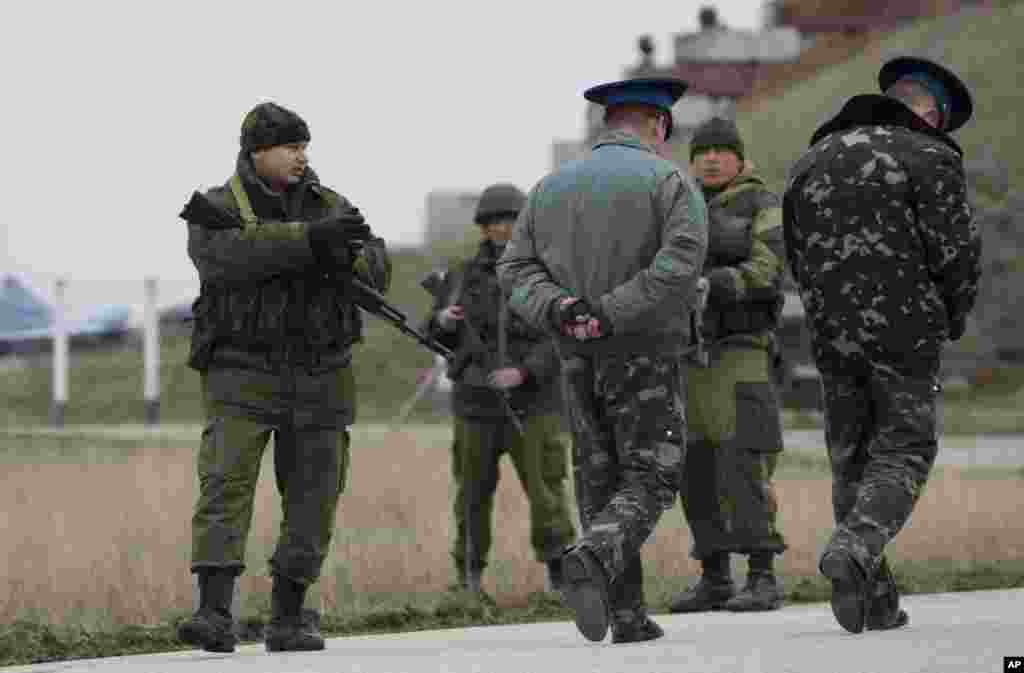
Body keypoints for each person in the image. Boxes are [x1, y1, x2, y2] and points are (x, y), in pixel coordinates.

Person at [498, 77, 708, 644]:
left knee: (599, 477)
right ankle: (593, 553)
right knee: (652, 472)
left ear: (606, 123)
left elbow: (515, 270)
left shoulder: (548, 188)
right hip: (644, 350)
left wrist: (565, 309)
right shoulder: (670, 180)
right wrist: (612, 311)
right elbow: (681, 263)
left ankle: (627, 614)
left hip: (575, 354)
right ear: (659, 124)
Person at [176, 102, 391, 653]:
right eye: (290, 147)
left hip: (321, 374)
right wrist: (307, 241)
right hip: (241, 374)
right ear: (256, 152)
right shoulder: (217, 208)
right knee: (225, 485)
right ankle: (214, 612)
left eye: (303, 147)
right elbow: (222, 259)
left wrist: (347, 254)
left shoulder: (333, 205)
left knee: (316, 493)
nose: (301, 157)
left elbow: (377, 267)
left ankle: (290, 616)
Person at [782, 57, 981, 634]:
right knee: (904, 449)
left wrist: (826, 312)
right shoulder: (930, 156)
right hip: (905, 331)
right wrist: (952, 318)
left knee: (851, 456)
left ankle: (875, 601)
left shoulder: (810, 159)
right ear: (929, 111)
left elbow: (794, 253)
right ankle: (856, 544)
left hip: (830, 331)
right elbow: (956, 255)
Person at [422, 183, 576, 597]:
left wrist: (525, 372)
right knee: (471, 497)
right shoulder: (461, 277)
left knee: (547, 492)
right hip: (475, 404)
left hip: (534, 403)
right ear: (483, 228)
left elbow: (564, 335)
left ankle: (562, 577)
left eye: (510, 220)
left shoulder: (549, 273)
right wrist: (444, 323)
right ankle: (468, 581)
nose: (502, 228)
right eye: (494, 222)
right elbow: (434, 336)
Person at [668, 117, 788, 615]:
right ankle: (714, 575)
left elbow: (770, 266)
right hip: (688, 357)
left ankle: (762, 576)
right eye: (702, 152)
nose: (711, 159)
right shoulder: (678, 206)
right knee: (694, 466)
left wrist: (711, 284)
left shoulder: (762, 203)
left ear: (740, 159)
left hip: (741, 351)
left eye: (721, 150)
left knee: (745, 459)